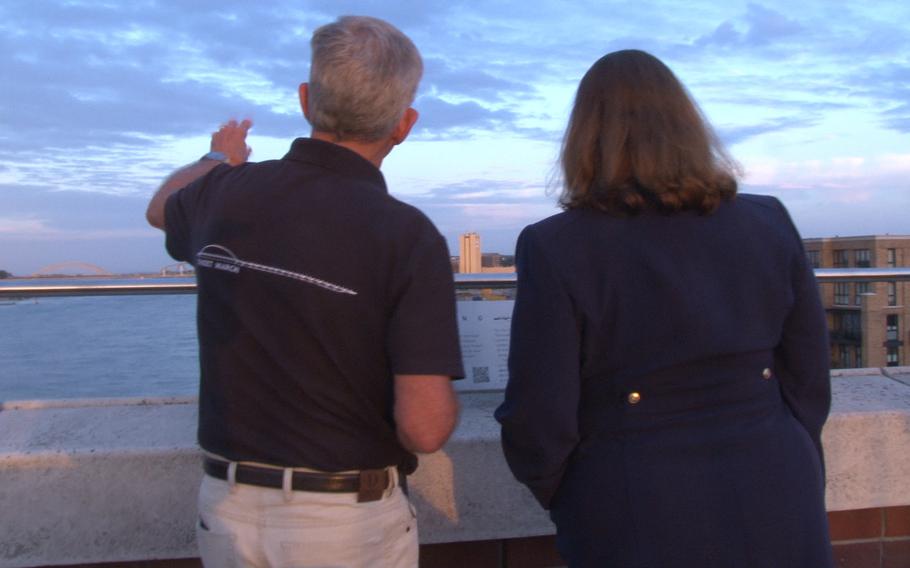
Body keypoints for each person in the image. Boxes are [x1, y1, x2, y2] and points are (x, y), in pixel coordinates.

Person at [495, 49, 833, 567]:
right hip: (777, 482)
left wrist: (572, 495)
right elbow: (809, 376)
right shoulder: (768, 221)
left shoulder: (557, 246)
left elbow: (539, 415)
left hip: (633, 501)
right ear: (686, 126)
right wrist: (790, 449)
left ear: (587, 138)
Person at [146, 16, 463, 568]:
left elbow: (160, 210)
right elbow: (425, 428)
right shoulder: (408, 236)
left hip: (228, 509)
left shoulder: (222, 192)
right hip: (346, 524)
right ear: (404, 123)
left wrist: (219, 156)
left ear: (304, 100)